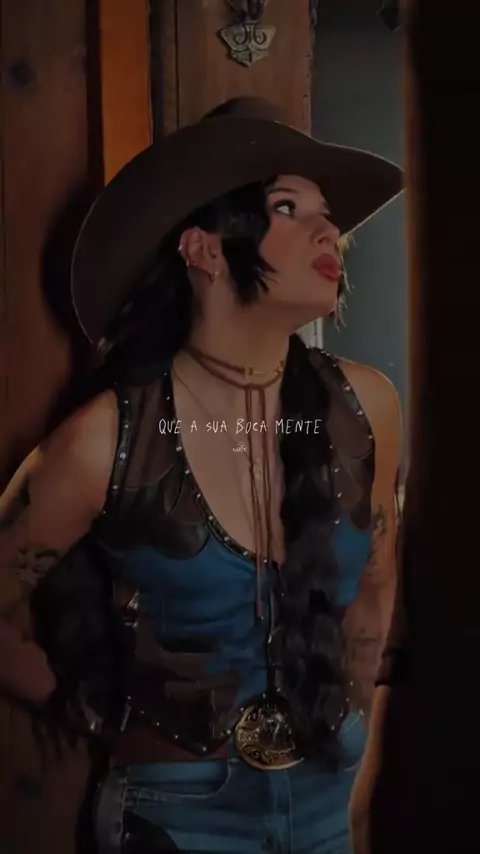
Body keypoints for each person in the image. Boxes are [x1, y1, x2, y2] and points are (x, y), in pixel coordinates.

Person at [0, 97, 403, 853]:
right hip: (180, 814)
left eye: (328, 216)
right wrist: (96, 714)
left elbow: (374, 590)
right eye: (288, 208)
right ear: (205, 250)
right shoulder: (103, 441)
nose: (329, 231)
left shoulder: (367, 407)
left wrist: (360, 750)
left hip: (327, 801)